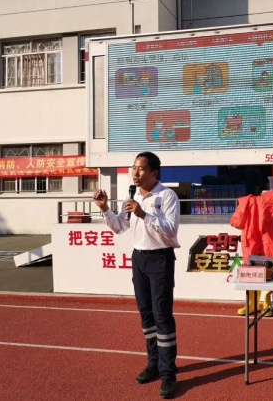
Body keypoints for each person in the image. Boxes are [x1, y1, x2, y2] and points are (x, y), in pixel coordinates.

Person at [93, 152, 180, 399]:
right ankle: (154, 364)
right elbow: (120, 227)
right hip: (139, 258)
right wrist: (105, 209)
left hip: (160, 259)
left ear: (154, 172)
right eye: (134, 168)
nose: (135, 173)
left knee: (162, 316)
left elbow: (171, 230)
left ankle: (168, 373)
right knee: (146, 315)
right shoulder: (131, 197)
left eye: (141, 169)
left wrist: (144, 214)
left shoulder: (167, 196)